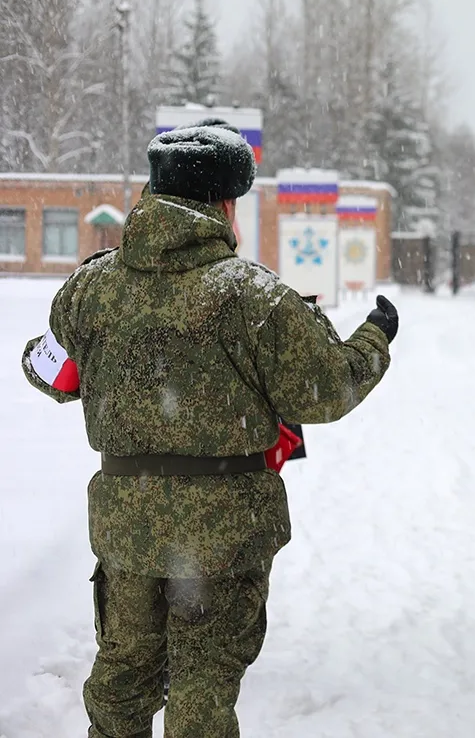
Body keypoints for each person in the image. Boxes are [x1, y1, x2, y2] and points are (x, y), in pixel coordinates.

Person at [20, 124, 396, 737]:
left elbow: (51, 371)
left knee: (122, 675)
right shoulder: (254, 297)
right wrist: (375, 336)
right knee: (202, 689)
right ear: (225, 206)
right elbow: (327, 390)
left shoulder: (90, 288)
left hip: (127, 526)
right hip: (223, 531)